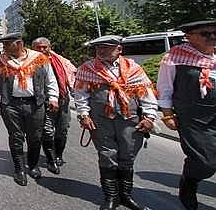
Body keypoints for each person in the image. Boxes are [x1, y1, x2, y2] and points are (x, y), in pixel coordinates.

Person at [74, 35, 157, 210]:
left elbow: (146, 93)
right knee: (107, 155)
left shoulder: (133, 68)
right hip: (101, 120)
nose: (101, 51)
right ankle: (111, 197)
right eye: (98, 48)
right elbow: (81, 95)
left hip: (130, 120)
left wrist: (149, 117)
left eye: (106, 47)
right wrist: (83, 115)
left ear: (119, 49)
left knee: (127, 155)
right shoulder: (87, 69)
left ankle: (126, 196)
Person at [157, 20, 216, 210]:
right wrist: (167, 114)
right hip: (193, 116)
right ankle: (188, 182)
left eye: (215, 33)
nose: (212, 37)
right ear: (189, 36)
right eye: (206, 34)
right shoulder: (174, 57)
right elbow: (164, 88)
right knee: (205, 162)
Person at [0, 32, 58, 186]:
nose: (4, 47)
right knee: (16, 137)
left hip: (35, 103)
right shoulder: (1, 61)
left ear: (19, 44)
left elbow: (50, 79)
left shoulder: (39, 58)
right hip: (10, 104)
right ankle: (19, 169)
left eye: (7, 44)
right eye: (3, 44)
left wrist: (53, 97)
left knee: (35, 137)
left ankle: (33, 166)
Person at [32, 37, 77, 174]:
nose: (42, 50)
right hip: (44, 102)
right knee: (47, 130)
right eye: (38, 47)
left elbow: (72, 75)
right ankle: (51, 159)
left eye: (44, 47)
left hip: (63, 100)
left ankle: (59, 155)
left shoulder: (60, 60)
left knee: (63, 129)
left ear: (49, 47)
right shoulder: (30, 62)